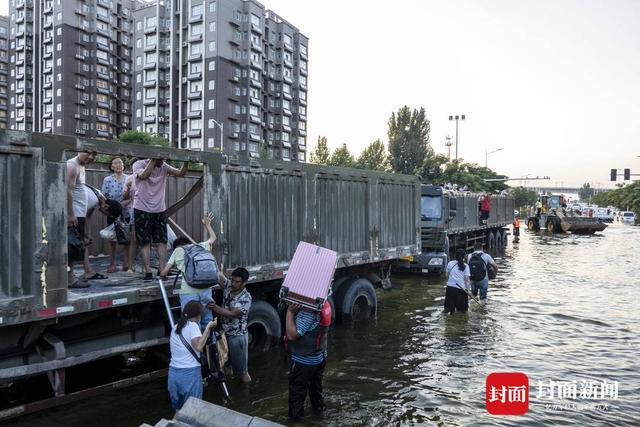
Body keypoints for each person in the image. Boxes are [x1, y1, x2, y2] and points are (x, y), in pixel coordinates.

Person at [160, 213, 217, 333]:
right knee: (207, 321)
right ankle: (210, 346)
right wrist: (207, 224)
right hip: (206, 290)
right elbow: (213, 238)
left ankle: (196, 348)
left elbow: (164, 273)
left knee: (191, 324)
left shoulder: (177, 251)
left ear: (177, 246)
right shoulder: (200, 246)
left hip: (189, 292)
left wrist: (162, 274)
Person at [133, 158, 188, 282]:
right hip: (142, 208)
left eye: (163, 159)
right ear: (152, 158)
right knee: (144, 241)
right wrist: (153, 161)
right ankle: (148, 271)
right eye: (160, 159)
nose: (162, 161)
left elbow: (180, 173)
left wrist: (186, 161)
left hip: (159, 209)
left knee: (162, 240)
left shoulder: (163, 165)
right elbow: (143, 176)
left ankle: (161, 269)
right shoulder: (139, 164)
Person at [285, 300, 332, 419]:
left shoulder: (308, 312)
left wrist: (290, 312)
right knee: (316, 390)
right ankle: (319, 413)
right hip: (319, 357)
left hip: (304, 361)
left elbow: (292, 335)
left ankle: (295, 421)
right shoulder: (324, 304)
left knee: (297, 394)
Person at [168, 300, 217, 411]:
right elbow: (199, 347)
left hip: (173, 374)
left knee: (179, 411)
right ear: (199, 315)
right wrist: (209, 327)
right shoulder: (193, 326)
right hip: (189, 374)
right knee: (193, 411)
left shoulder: (175, 328)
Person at [208, 267, 252, 383]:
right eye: (232, 280)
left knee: (242, 371)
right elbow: (219, 274)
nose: (233, 283)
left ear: (244, 283)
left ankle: (246, 393)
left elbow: (233, 314)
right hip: (224, 335)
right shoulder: (228, 286)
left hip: (237, 337)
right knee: (225, 366)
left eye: (237, 282)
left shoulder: (246, 298)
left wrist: (215, 307)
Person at [67, 150, 96, 288]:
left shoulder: (81, 166)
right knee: (70, 248)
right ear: (79, 150)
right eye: (88, 153)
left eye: (94, 154)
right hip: (74, 214)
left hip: (79, 213)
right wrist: (70, 214)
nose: (91, 157)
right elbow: (68, 191)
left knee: (73, 248)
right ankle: (69, 279)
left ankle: (70, 276)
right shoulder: (72, 166)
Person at [101, 157, 131, 273]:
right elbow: (103, 196)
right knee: (112, 239)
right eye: (115, 163)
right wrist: (105, 207)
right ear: (112, 166)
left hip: (127, 211)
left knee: (126, 238)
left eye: (120, 162)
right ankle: (112, 264)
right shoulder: (107, 180)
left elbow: (133, 195)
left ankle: (126, 263)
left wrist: (124, 203)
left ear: (123, 165)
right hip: (113, 212)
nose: (118, 165)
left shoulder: (129, 178)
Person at [444, 248, 470, 314]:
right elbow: (466, 280)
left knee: (449, 310)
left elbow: (446, 275)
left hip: (450, 289)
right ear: (464, 256)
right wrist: (468, 291)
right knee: (462, 312)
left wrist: (451, 281)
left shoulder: (450, 263)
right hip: (461, 290)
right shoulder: (466, 266)